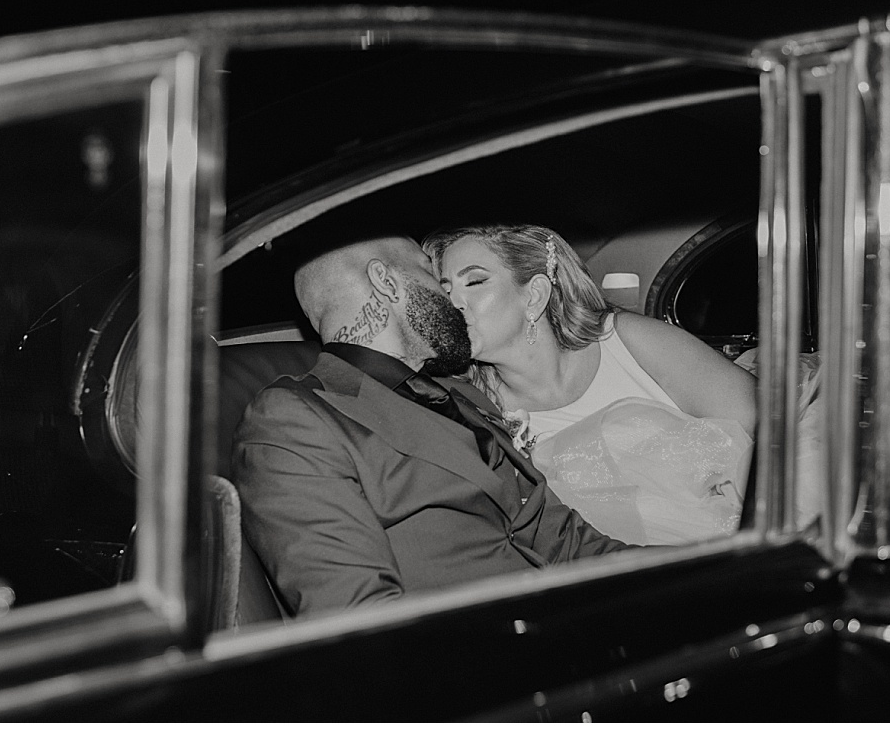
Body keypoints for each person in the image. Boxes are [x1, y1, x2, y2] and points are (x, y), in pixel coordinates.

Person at [232, 235, 634, 618]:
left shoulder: (461, 396)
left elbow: (565, 541)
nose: (451, 300)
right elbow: (362, 622)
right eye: (432, 275)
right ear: (386, 282)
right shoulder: (293, 419)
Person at [424, 225, 759, 546]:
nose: (452, 304)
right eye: (446, 289)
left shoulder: (626, 342)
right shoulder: (471, 405)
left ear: (534, 295)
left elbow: (771, 429)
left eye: (474, 282)